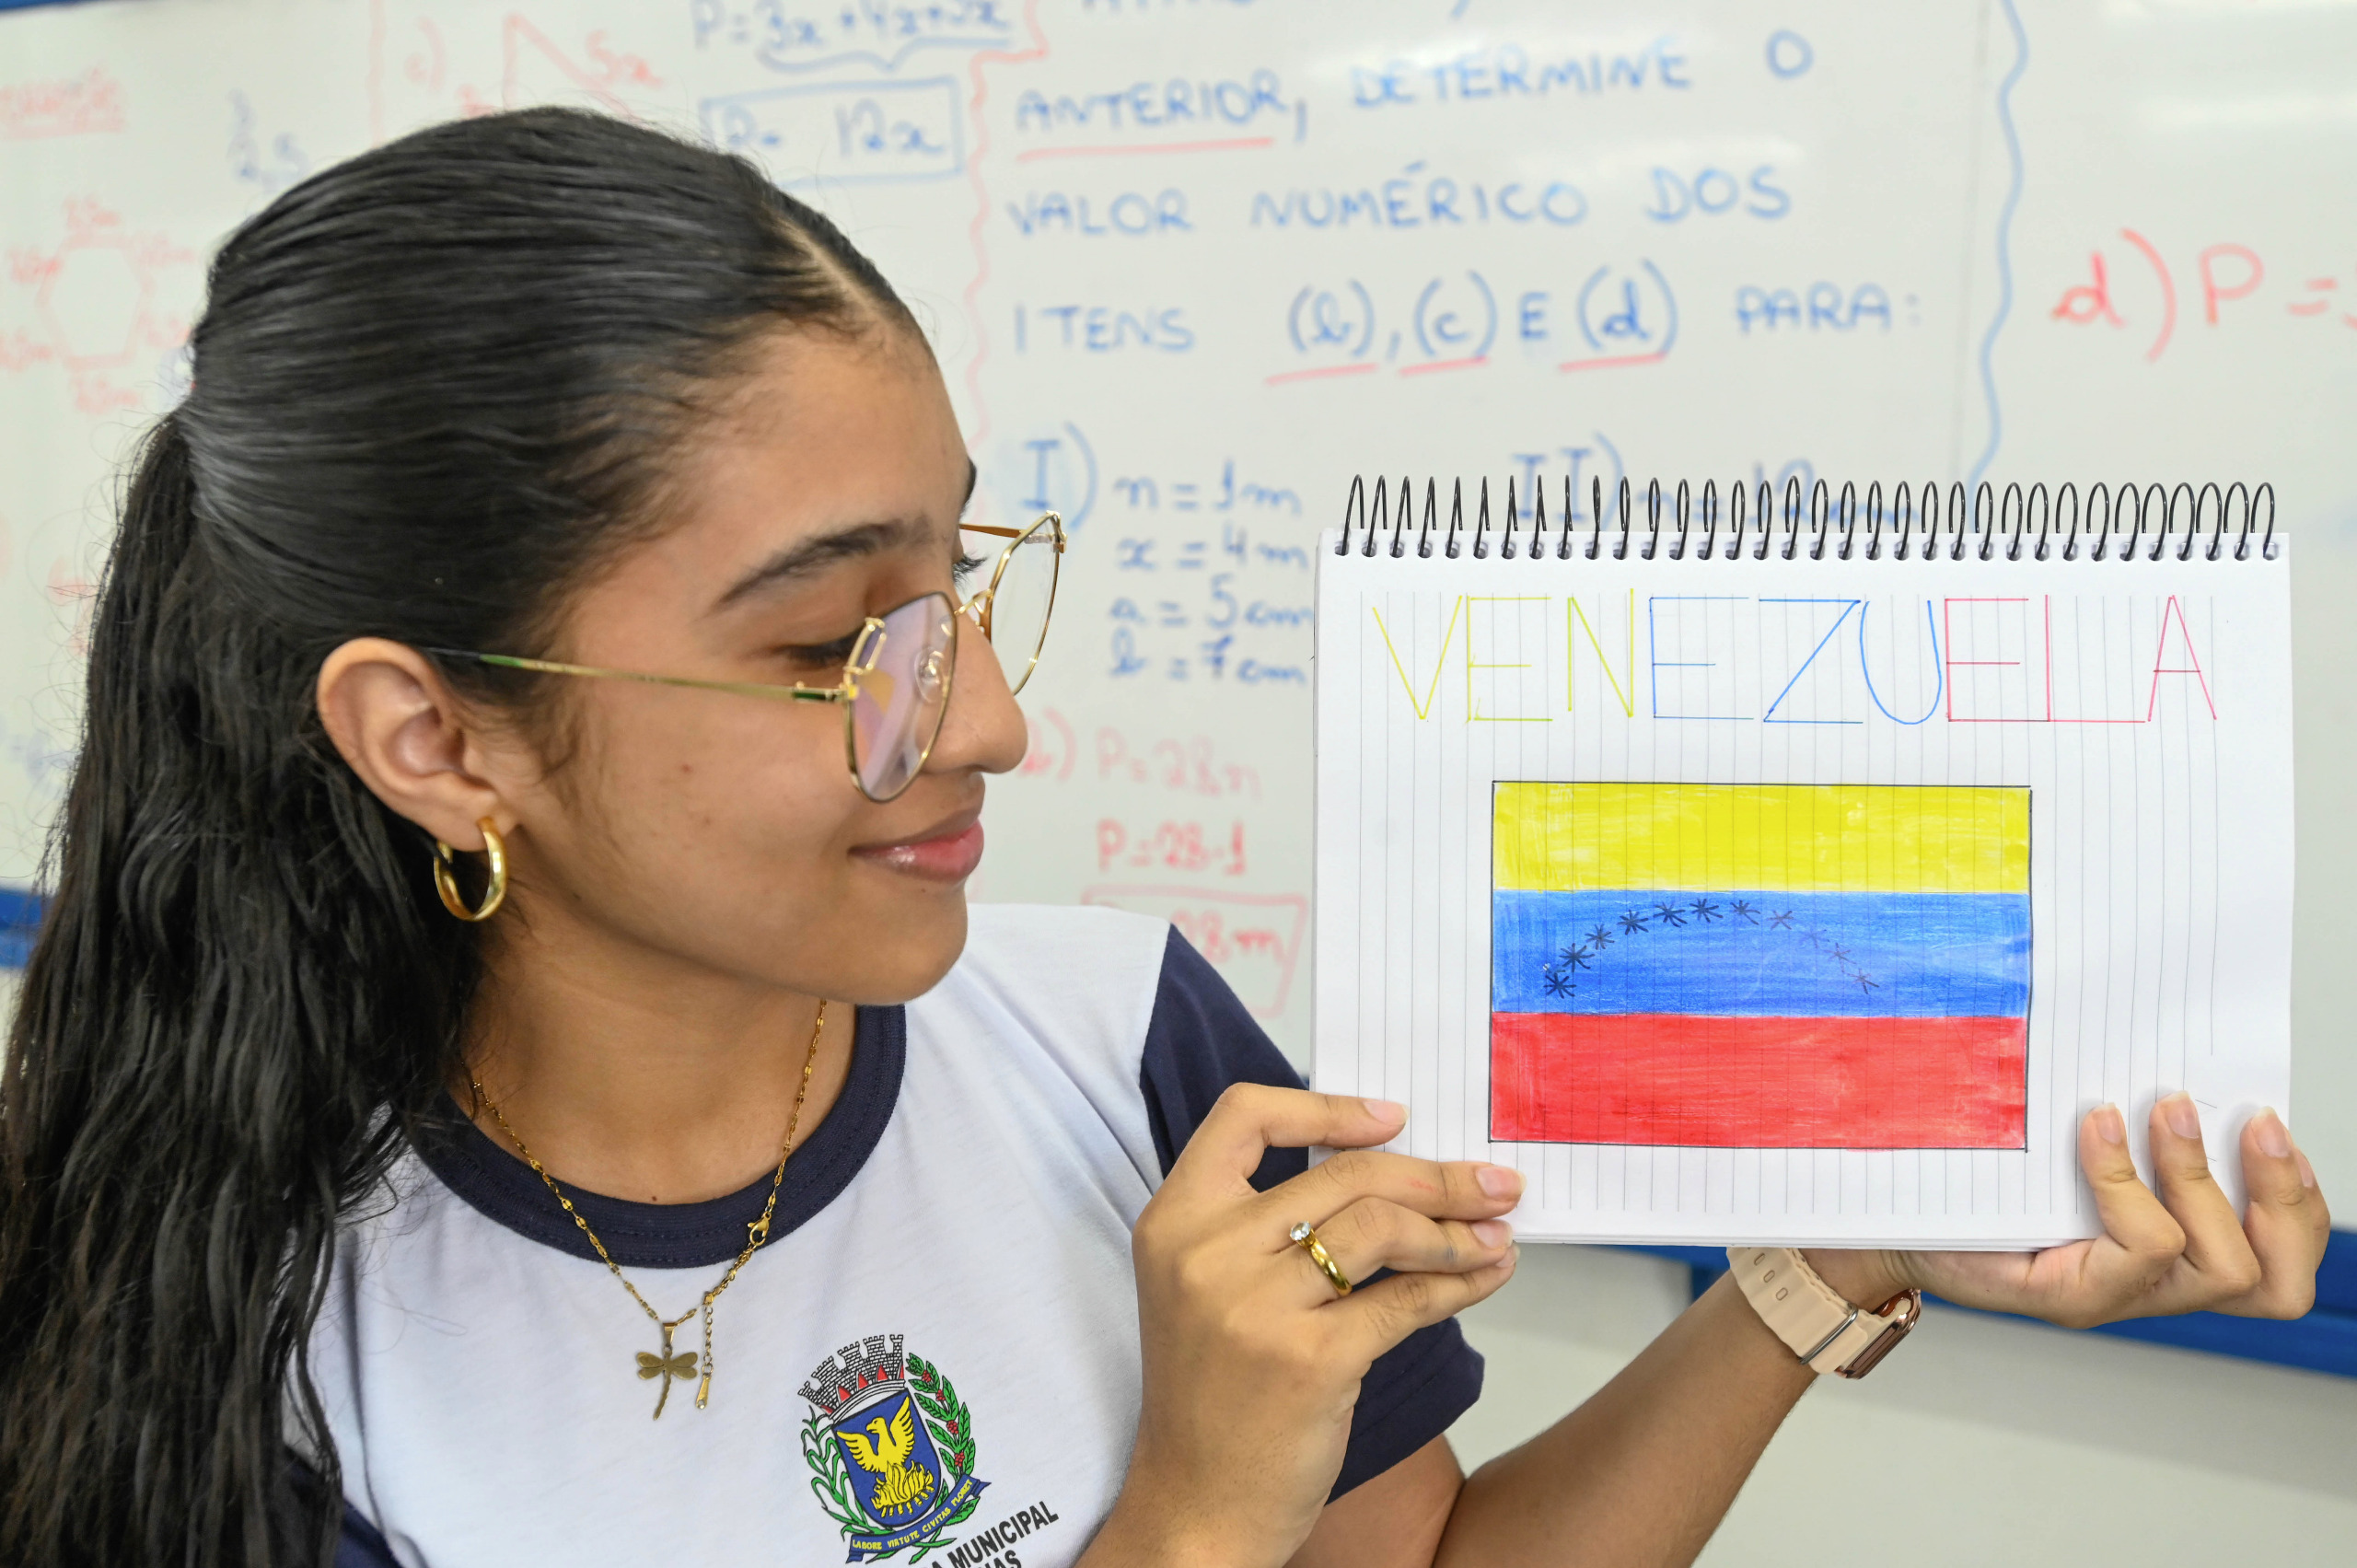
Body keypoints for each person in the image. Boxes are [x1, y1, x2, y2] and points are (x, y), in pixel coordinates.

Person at [0, 108, 2329, 1568]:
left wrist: (1839, 1263)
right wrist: (1199, 1508)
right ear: (437, 738)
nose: (989, 720)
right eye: (839, 646)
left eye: (965, 584)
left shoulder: (1119, 1031)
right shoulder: (242, 1343)